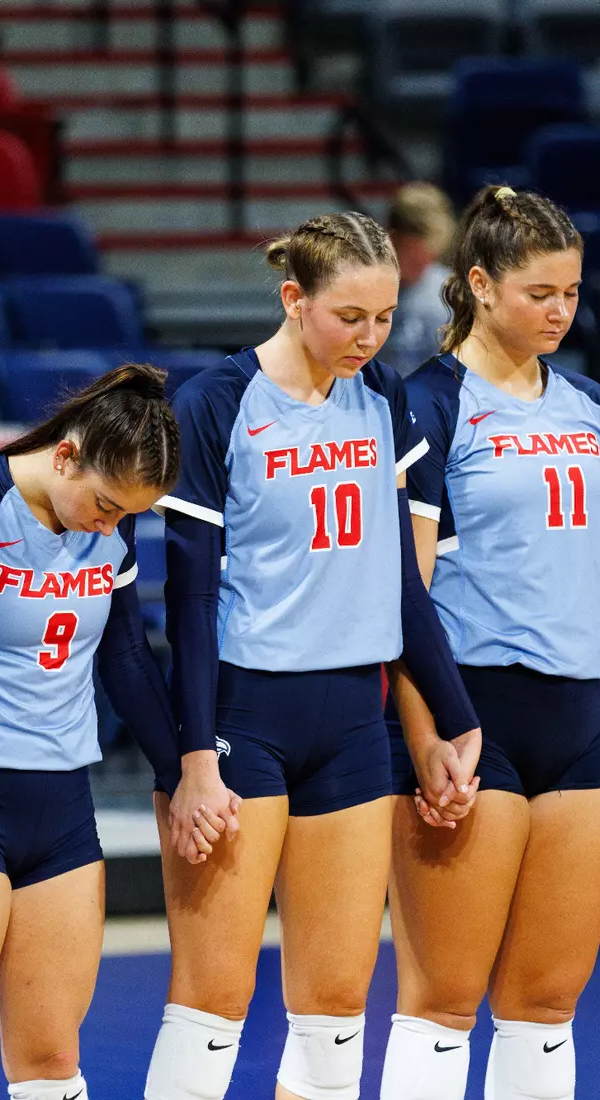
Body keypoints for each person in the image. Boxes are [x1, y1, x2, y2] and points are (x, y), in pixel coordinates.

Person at [142, 211, 481, 1100]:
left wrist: (456, 718)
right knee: (212, 1000)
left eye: (384, 317)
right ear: (294, 299)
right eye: (349, 317)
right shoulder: (216, 403)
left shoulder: (382, 398)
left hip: (353, 724)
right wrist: (195, 759)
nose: (370, 338)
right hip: (241, 718)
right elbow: (189, 601)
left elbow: (400, 581)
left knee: (335, 1005)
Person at [378, 185, 600, 1100]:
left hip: (577, 724)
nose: (560, 312)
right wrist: (425, 735)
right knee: (444, 1000)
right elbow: (404, 594)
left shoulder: (589, 406)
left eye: (572, 294)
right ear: (479, 284)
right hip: (470, 714)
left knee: (547, 1002)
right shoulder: (427, 404)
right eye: (539, 293)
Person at [0, 363, 220, 1100]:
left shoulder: (108, 526)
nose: (110, 527)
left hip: (65, 808)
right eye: (105, 506)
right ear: (66, 455)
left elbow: (126, 659)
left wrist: (182, 774)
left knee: (50, 1060)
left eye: (125, 516)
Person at [385, 183, 456, 377]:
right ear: (392, 239)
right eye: (414, 254)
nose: (424, 261)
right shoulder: (360, 291)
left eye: (431, 252)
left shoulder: (454, 294)